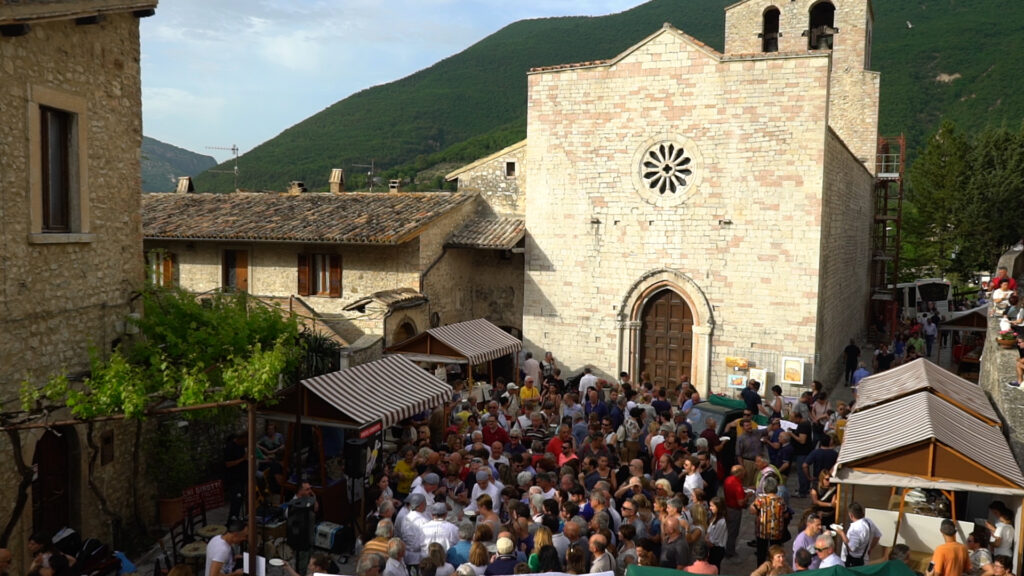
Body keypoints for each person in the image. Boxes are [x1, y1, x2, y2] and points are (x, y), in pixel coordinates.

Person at [749, 476, 786, 566]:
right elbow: (785, 513)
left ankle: (762, 569)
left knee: (761, 553)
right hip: (776, 530)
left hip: (763, 530)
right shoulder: (780, 500)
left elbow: (752, 510)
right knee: (775, 552)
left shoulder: (761, 500)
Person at [834, 502, 880, 567]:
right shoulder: (869, 521)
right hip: (864, 559)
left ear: (851, 515)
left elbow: (851, 548)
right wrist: (870, 548)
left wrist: (841, 533)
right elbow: (878, 536)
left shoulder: (855, 529)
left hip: (853, 563)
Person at [723, 464, 747, 557]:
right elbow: (741, 502)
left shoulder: (728, 479)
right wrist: (747, 496)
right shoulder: (737, 485)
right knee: (733, 531)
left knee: (728, 530)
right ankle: (730, 551)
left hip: (727, 507)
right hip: (734, 510)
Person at [707, 496, 728, 570]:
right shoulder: (714, 517)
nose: (710, 508)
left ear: (718, 507)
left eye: (712, 506)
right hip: (713, 548)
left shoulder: (721, 522)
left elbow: (713, 541)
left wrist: (706, 539)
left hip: (717, 550)